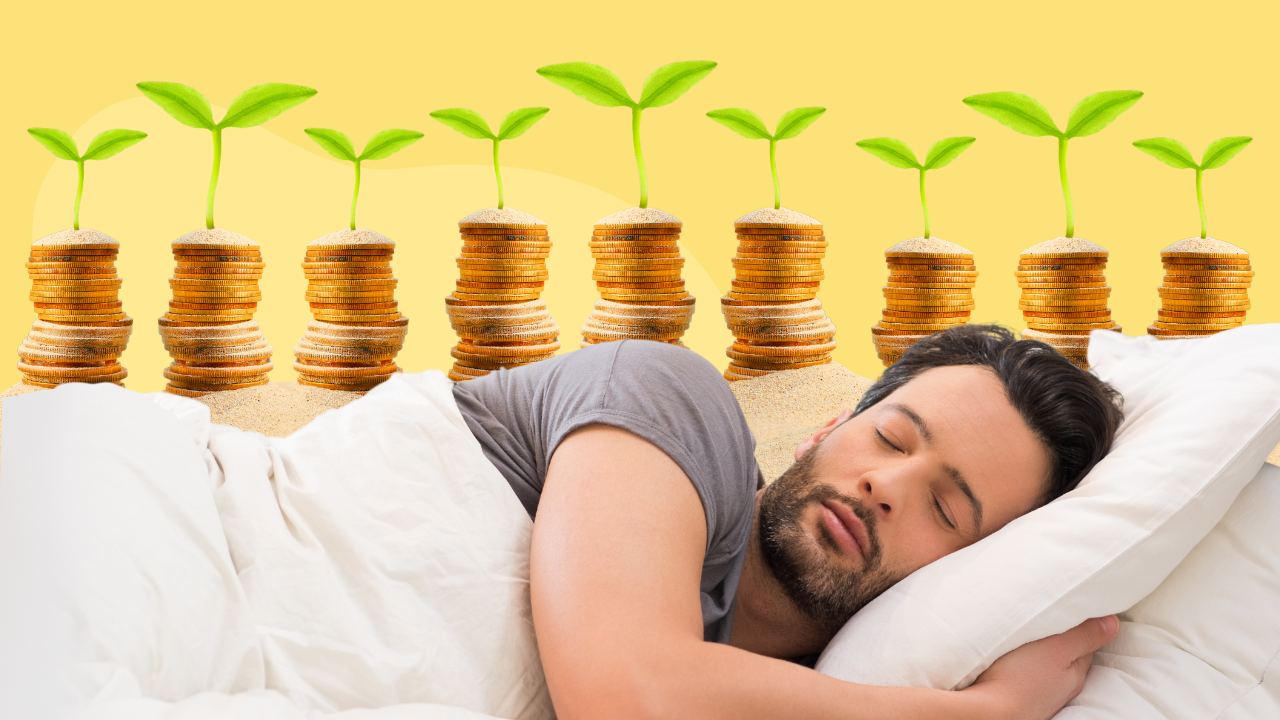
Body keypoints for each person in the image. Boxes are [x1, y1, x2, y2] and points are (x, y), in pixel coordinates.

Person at [451, 324, 1126, 720]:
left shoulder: (809, 696)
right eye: (890, 439)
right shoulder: (669, 399)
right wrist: (992, 711)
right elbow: (627, 694)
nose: (883, 486)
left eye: (945, 510)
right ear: (827, 427)